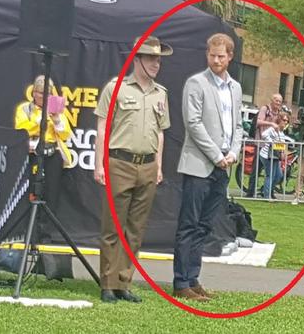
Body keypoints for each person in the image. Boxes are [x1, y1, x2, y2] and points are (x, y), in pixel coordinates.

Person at [94, 36, 172, 303]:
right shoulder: (115, 87)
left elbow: (160, 134)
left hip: (148, 165)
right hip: (119, 162)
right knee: (112, 227)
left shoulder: (161, 93)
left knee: (135, 229)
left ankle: (123, 284)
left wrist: (159, 166)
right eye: (151, 58)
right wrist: (99, 163)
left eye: (158, 59)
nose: (156, 63)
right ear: (136, 59)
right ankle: (107, 283)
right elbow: (102, 128)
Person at [174, 33, 242, 302]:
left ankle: (193, 278)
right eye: (212, 55)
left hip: (223, 166)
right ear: (207, 55)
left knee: (204, 226)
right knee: (189, 224)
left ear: (230, 57)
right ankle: (181, 282)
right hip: (199, 164)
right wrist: (217, 155)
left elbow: (237, 125)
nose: (216, 60)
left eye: (221, 56)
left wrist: (234, 152)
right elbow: (193, 124)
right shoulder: (196, 83)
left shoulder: (235, 88)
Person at [14, 75, 73, 243]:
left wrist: (56, 119)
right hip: (31, 154)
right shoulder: (24, 108)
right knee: (30, 192)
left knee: (51, 194)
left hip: (51, 153)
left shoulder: (57, 109)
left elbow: (65, 133)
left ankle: (45, 235)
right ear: (34, 93)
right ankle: (28, 233)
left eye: (48, 93)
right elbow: (21, 128)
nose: (44, 97)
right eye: (41, 93)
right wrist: (41, 120)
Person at [246, 93, 283, 197]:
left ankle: (267, 191)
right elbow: (258, 122)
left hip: (274, 146)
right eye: (276, 100)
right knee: (256, 169)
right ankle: (250, 193)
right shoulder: (264, 109)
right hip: (261, 144)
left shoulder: (279, 113)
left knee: (277, 173)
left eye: (280, 101)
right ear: (271, 100)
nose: (278, 103)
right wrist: (271, 124)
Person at [259, 114, 294, 200]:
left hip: (275, 156)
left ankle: (269, 191)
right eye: (284, 120)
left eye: (287, 121)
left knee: (279, 175)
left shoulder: (281, 132)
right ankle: (267, 196)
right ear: (279, 120)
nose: (285, 122)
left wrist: (282, 152)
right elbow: (263, 134)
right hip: (267, 155)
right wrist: (272, 142)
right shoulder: (273, 129)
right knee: (270, 175)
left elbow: (281, 145)